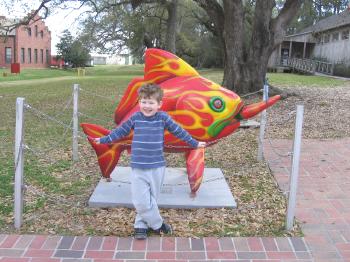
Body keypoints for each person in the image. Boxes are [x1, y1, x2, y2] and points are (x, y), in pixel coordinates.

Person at [92, 83, 206, 240]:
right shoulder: (135, 118)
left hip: (157, 167)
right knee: (141, 201)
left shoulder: (163, 118)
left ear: (159, 104)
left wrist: (194, 143)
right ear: (139, 102)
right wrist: (104, 140)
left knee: (151, 199)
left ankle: (140, 224)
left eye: (151, 102)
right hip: (138, 167)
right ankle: (158, 224)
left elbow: (179, 131)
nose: (147, 106)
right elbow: (120, 131)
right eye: (143, 102)